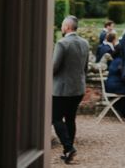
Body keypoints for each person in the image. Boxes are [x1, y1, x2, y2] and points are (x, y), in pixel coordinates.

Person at [52, 15, 90, 165]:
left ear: (67, 27)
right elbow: (85, 67)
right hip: (79, 88)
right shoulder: (85, 43)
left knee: (55, 118)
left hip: (62, 89)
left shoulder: (62, 43)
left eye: (62, 25)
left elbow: (54, 68)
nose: (61, 28)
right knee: (70, 119)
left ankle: (68, 147)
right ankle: (67, 152)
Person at [105, 44, 125, 117]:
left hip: (109, 85)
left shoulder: (114, 60)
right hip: (116, 86)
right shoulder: (121, 61)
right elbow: (123, 76)